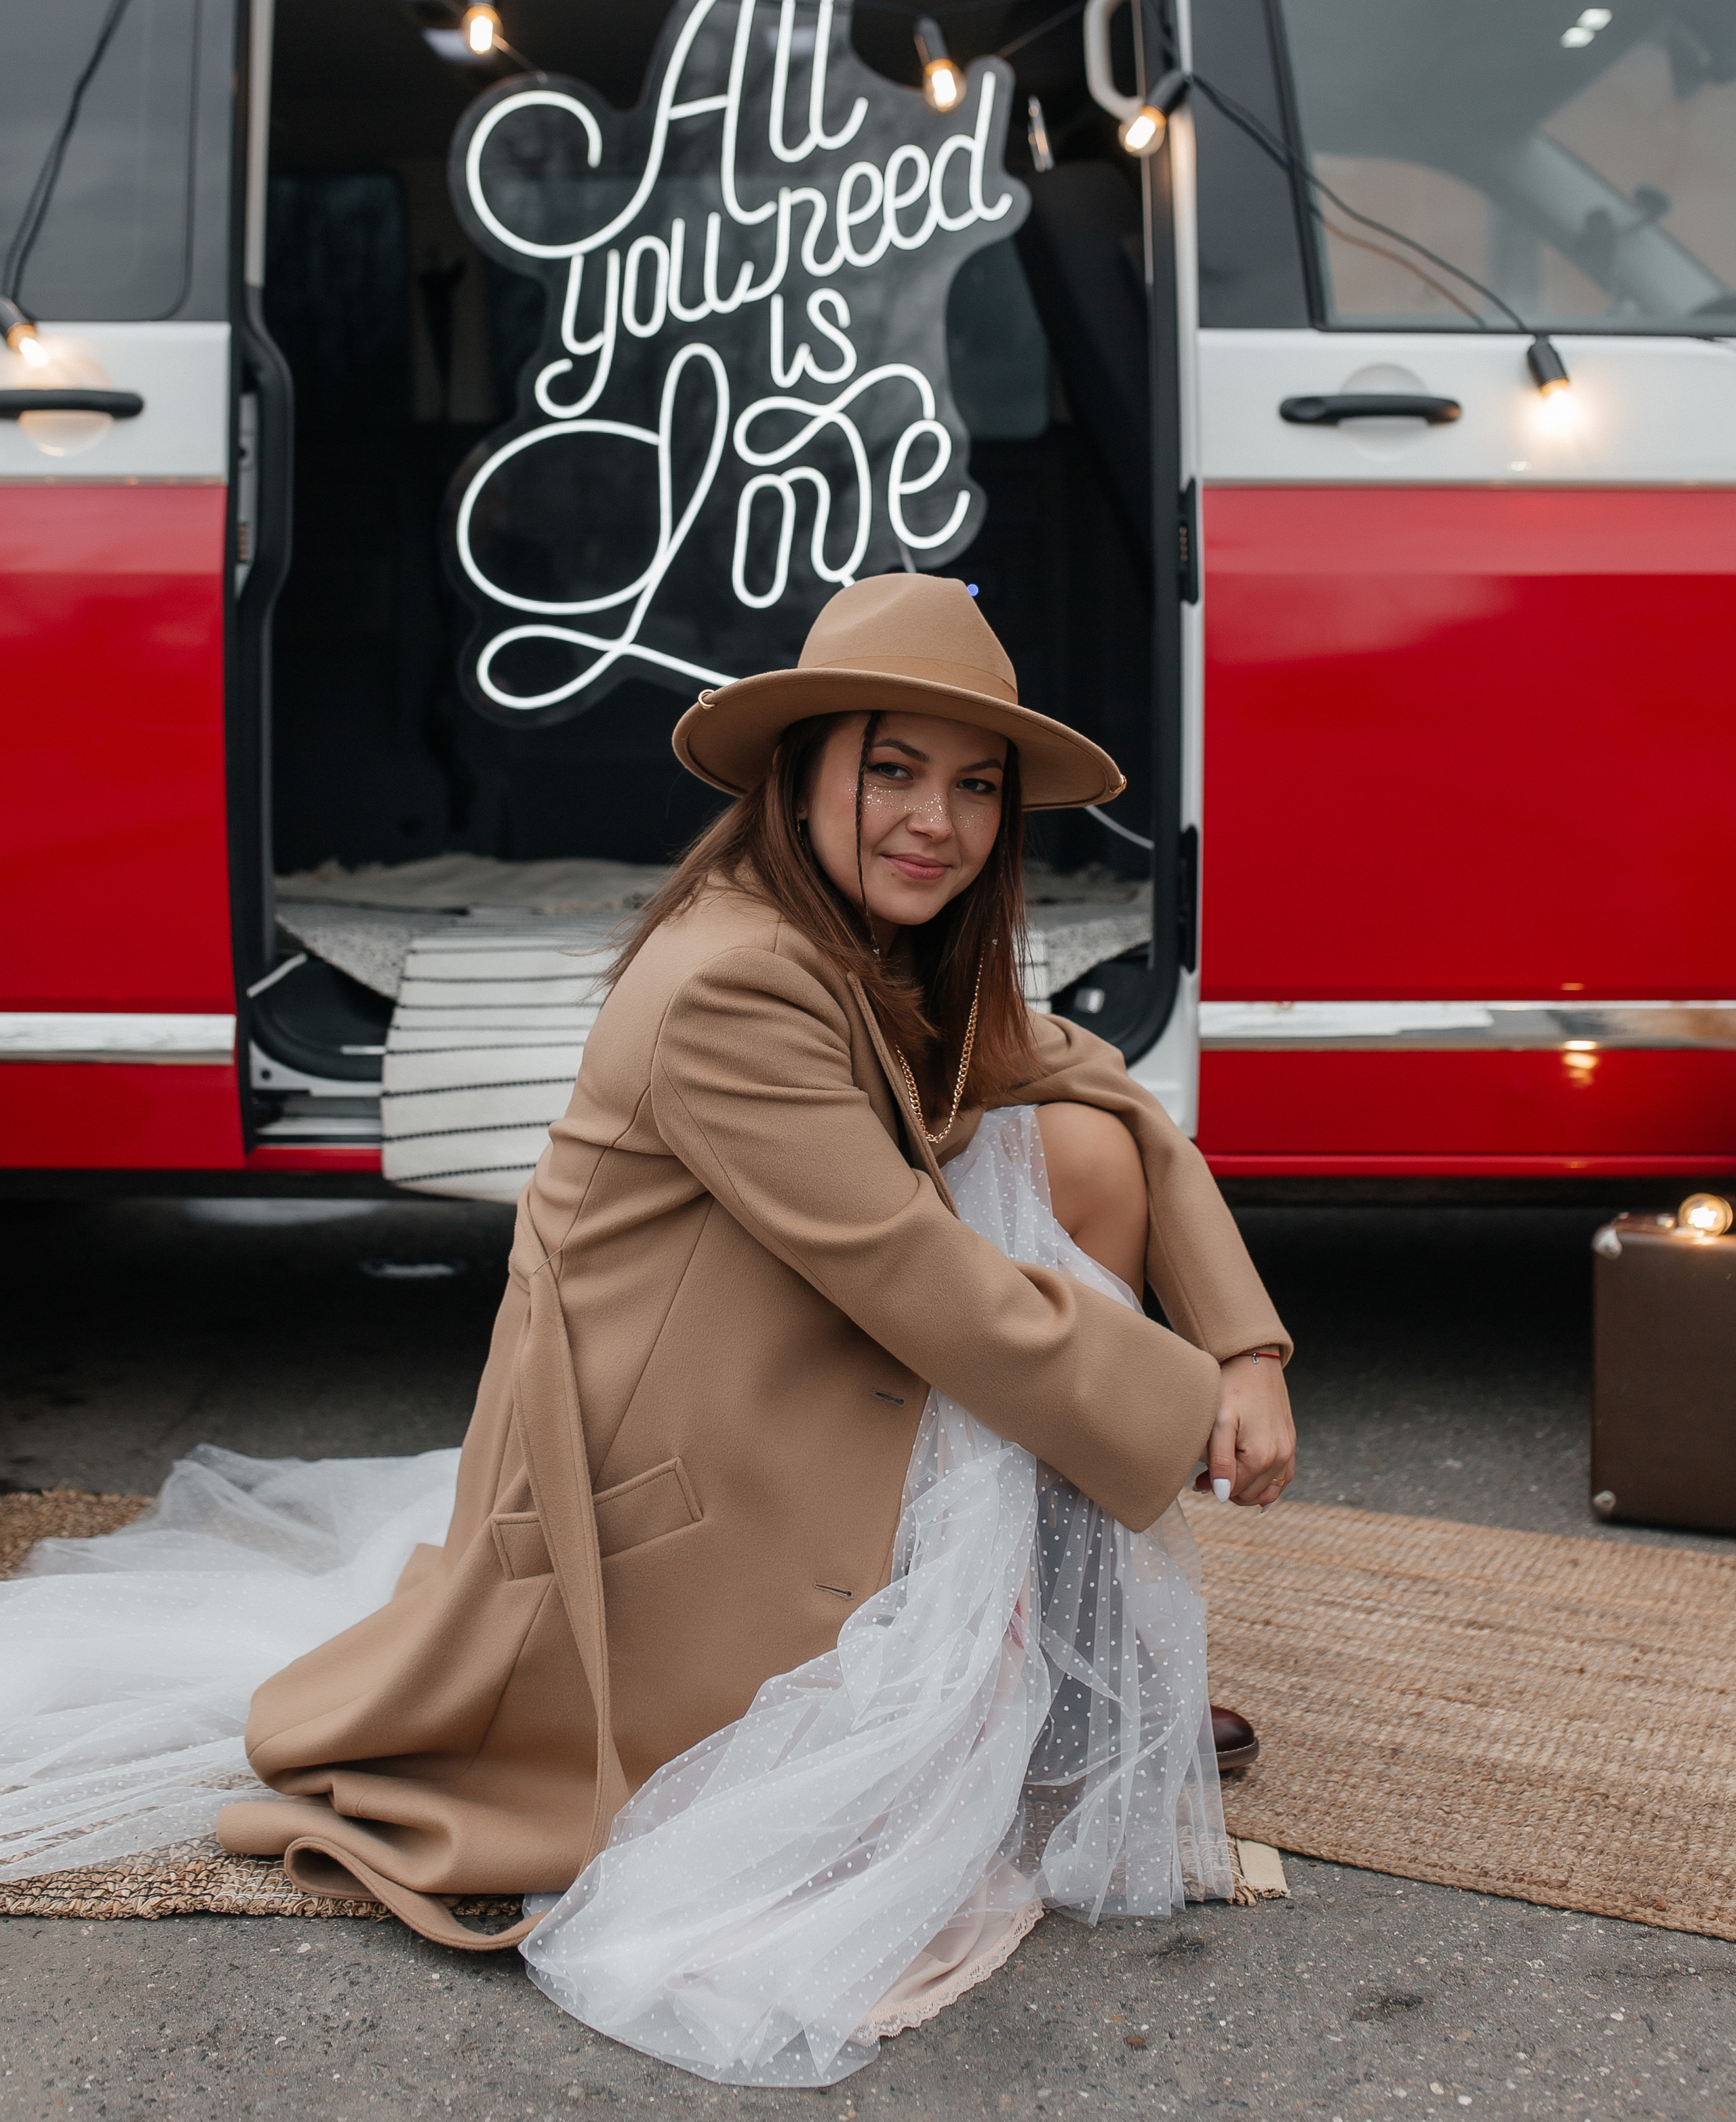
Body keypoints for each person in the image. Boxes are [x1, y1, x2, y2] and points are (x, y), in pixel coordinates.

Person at [4, 573, 1293, 2091]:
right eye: (890, 770)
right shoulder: (733, 980)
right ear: (799, 772)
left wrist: (1246, 1345)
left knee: (1060, 1140)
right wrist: (1179, 1407)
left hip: (771, 1383)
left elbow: (1102, 1088)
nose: (933, 821)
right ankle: (1032, 1670)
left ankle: (1051, 1666)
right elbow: (919, 1282)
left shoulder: (887, 945)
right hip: (665, 1493)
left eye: (973, 786)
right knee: (1009, 1265)